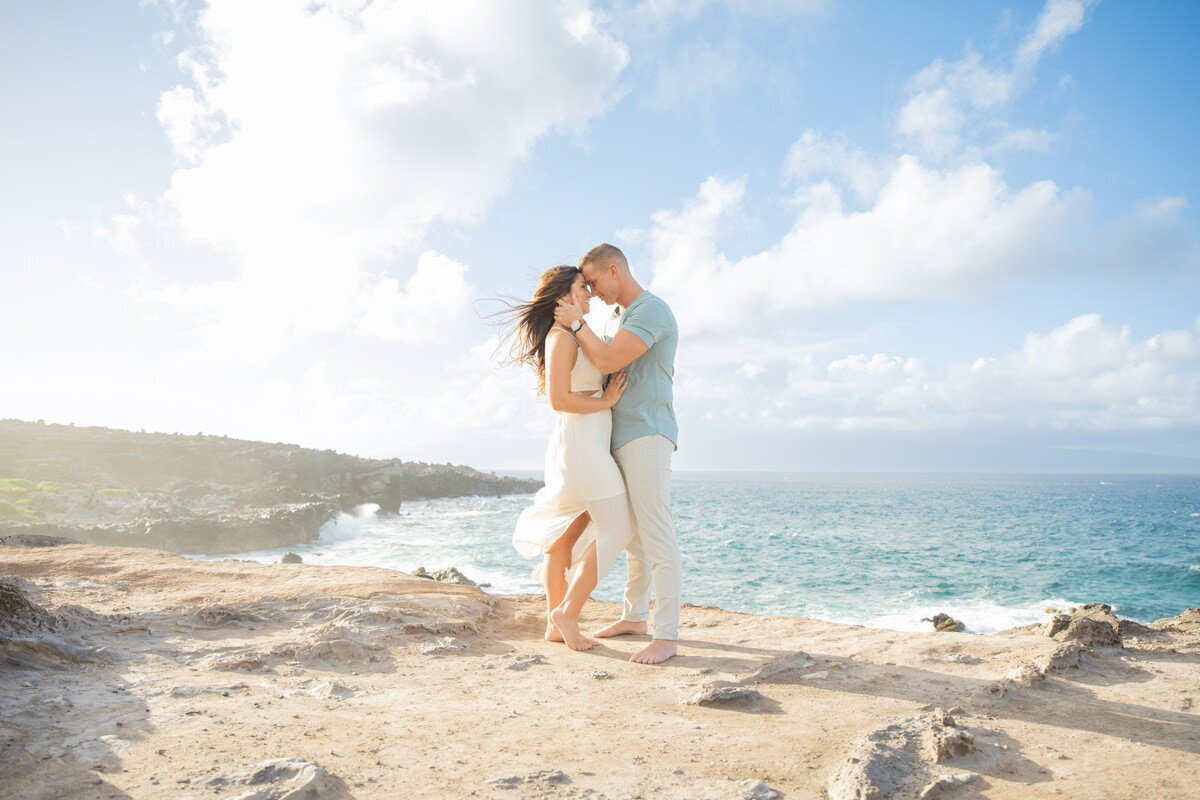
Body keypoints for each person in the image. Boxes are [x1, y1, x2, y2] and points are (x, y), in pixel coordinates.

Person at [553, 243, 680, 665]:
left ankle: (666, 636)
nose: (592, 292)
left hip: (646, 433)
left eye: (592, 283)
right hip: (620, 437)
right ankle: (635, 617)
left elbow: (607, 358)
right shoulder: (621, 316)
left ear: (613, 270)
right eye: (584, 286)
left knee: (657, 534)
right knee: (636, 539)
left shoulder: (651, 310)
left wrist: (574, 325)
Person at [506, 265, 634, 651]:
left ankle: (554, 624)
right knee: (619, 529)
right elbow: (559, 400)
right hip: (581, 446)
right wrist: (607, 400)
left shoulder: (574, 335)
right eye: (583, 288)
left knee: (567, 536)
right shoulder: (562, 338)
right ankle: (567, 612)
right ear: (564, 297)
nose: (590, 294)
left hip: (582, 444)